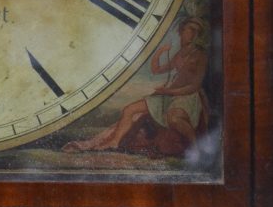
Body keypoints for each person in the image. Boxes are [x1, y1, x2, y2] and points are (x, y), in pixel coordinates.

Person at [65, 19, 208, 154]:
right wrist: (160, 52)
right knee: (129, 110)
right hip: (168, 95)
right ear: (181, 31)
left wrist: (169, 91)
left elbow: (195, 86)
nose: (193, 34)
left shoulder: (200, 55)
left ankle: (196, 148)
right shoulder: (179, 54)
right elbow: (156, 70)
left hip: (185, 97)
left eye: (196, 31)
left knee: (174, 119)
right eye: (190, 30)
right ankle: (114, 142)